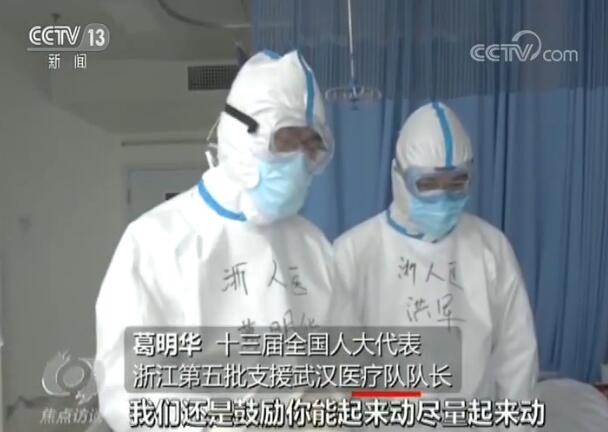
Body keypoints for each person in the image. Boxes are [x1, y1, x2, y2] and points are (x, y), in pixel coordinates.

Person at [94, 50, 335, 431]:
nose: (300, 160)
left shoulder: (313, 246)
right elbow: (131, 388)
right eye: (287, 140)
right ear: (241, 134)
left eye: (311, 145)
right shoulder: (155, 241)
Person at [333, 101, 539, 428]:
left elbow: (517, 356)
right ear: (398, 176)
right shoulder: (353, 253)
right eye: (427, 184)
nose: (443, 198)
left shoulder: (491, 247)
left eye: (457, 183)